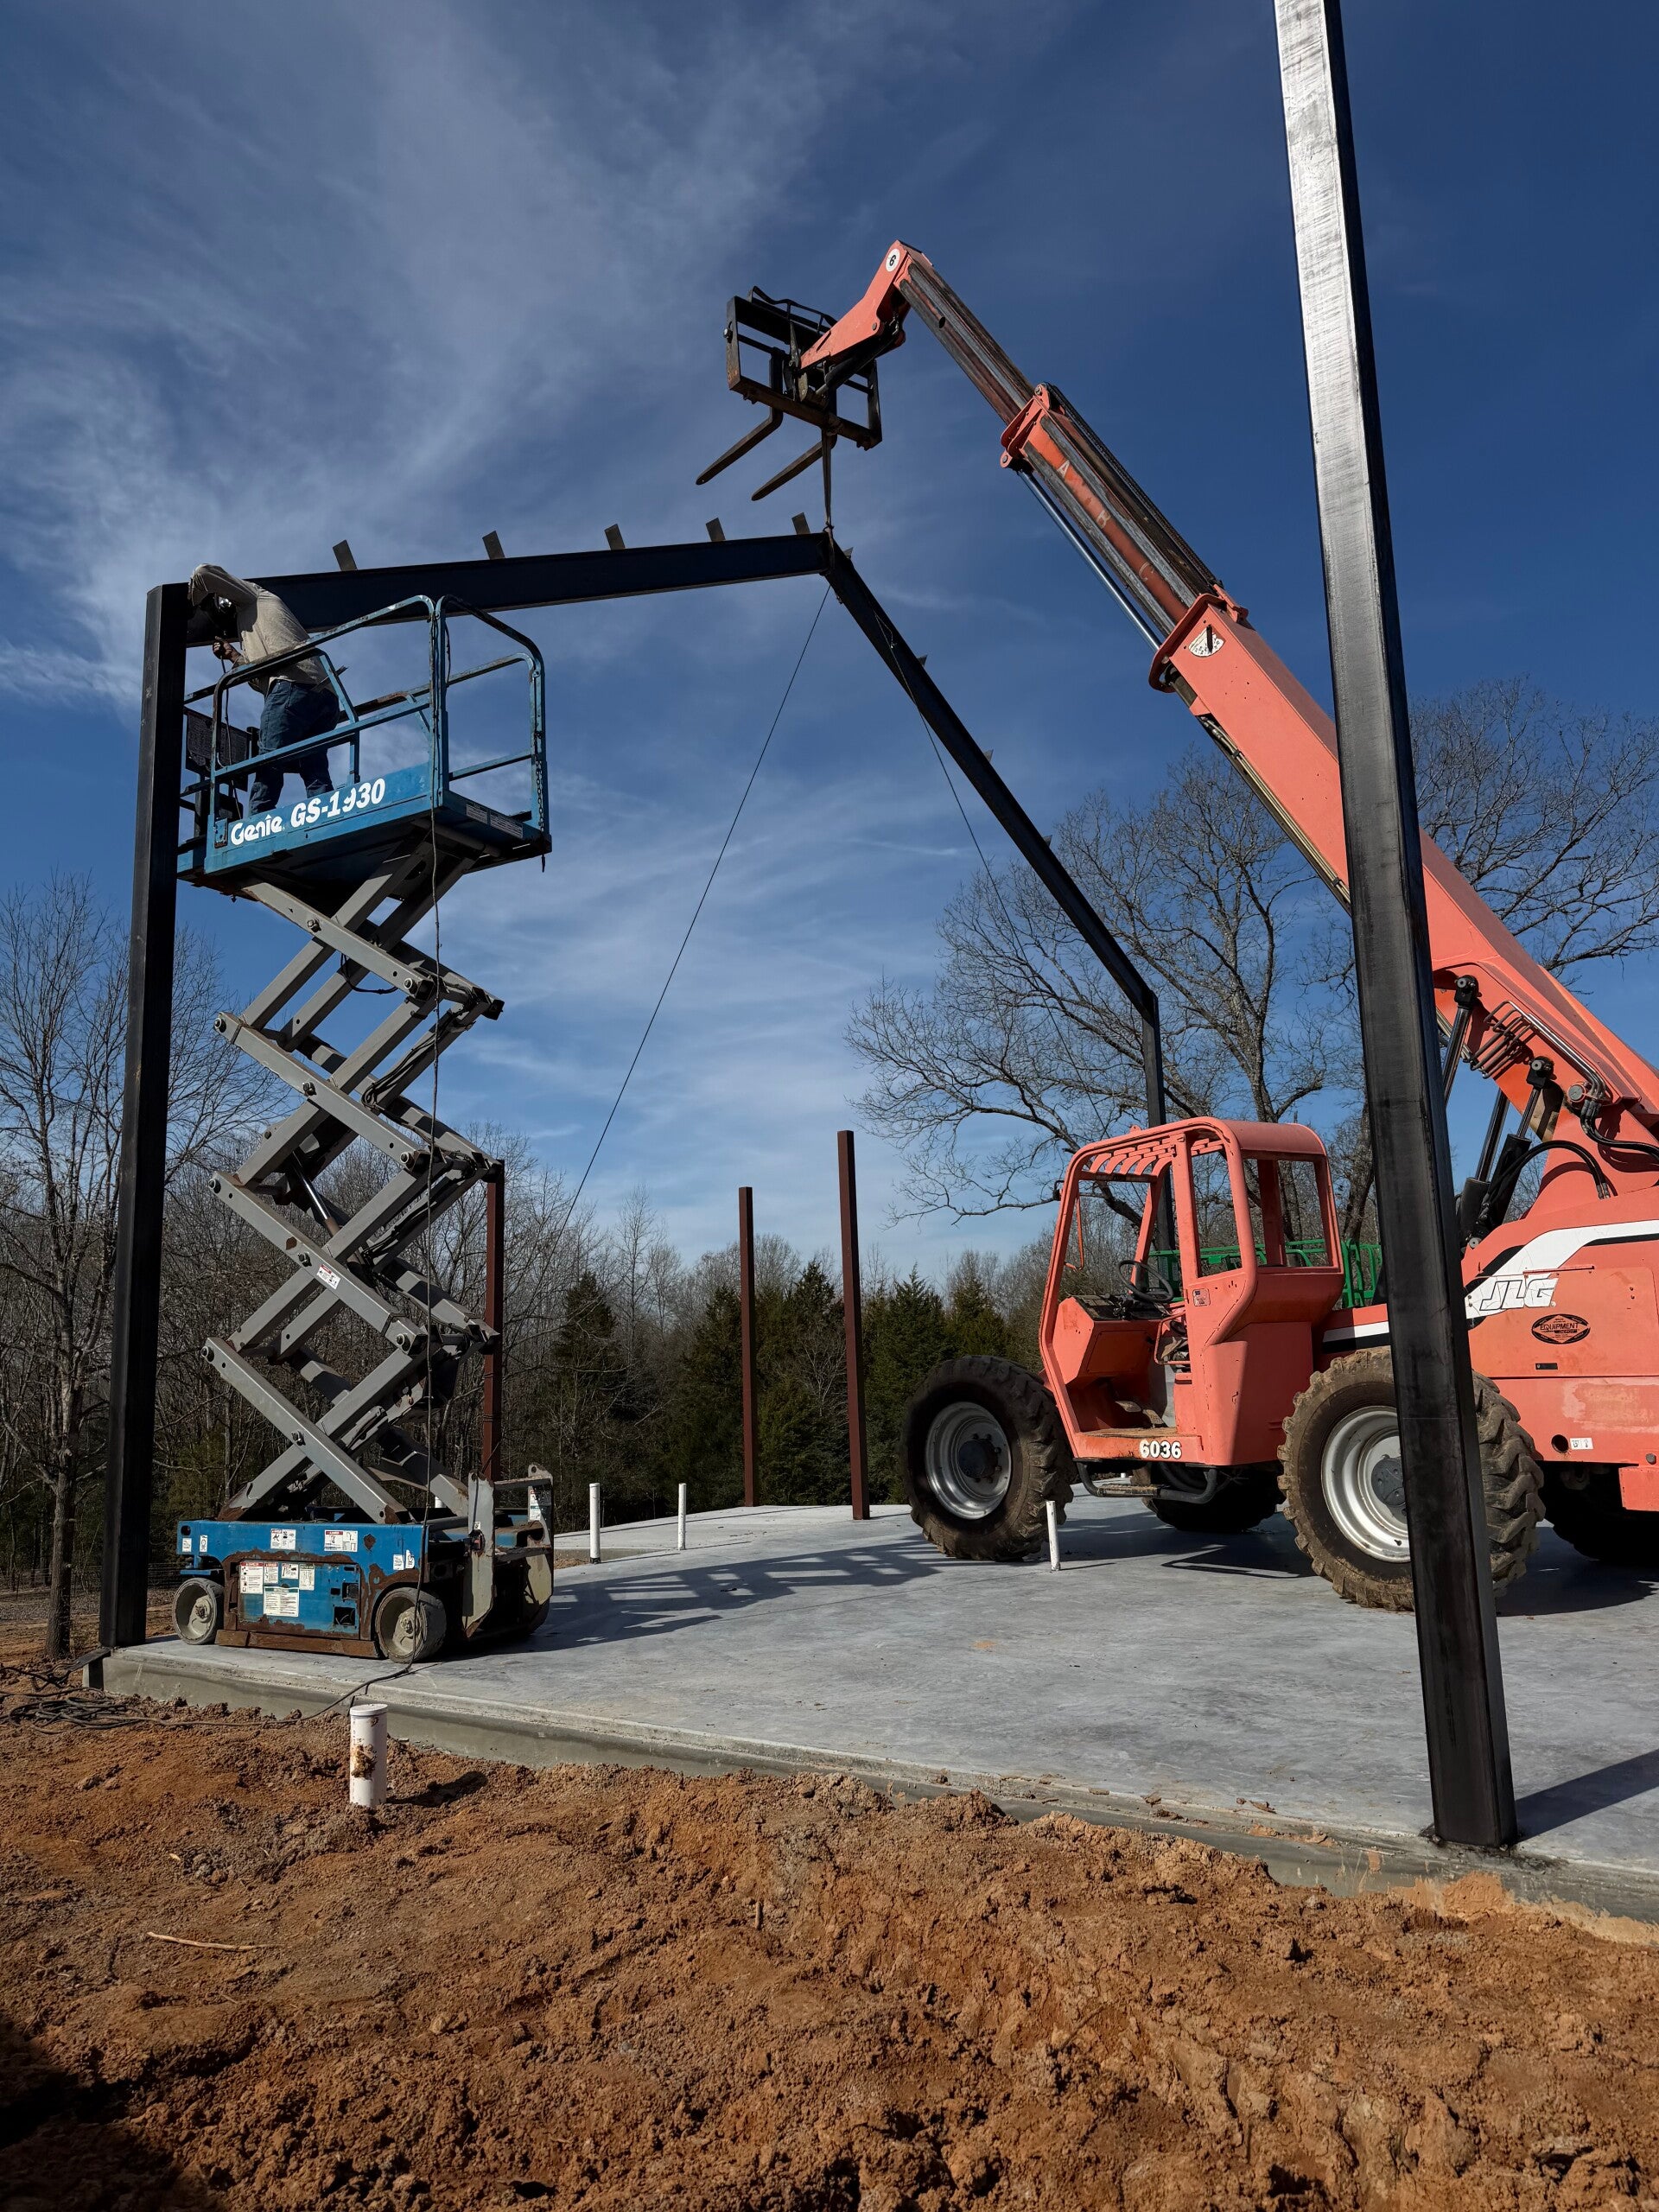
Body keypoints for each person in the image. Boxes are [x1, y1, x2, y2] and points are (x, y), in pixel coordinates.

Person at [188, 564, 340, 815]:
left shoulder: (254, 596)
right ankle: (324, 811)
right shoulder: (253, 627)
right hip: (325, 695)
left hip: (291, 684)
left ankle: (258, 818)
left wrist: (191, 603)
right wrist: (234, 656)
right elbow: (261, 680)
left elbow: (203, 572)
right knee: (313, 763)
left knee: (269, 757)